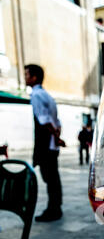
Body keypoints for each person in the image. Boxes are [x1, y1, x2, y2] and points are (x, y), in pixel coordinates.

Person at [25, 64, 65, 222]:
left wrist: (55, 136)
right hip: (52, 145)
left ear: (34, 77)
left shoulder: (36, 95)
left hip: (45, 145)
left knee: (50, 178)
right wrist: (57, 137)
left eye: (27, 74)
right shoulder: (47, 95)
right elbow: (57, 121)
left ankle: (53, 209)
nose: (25, 77)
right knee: (53, 178)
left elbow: (45, 120)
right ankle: (56, 206)